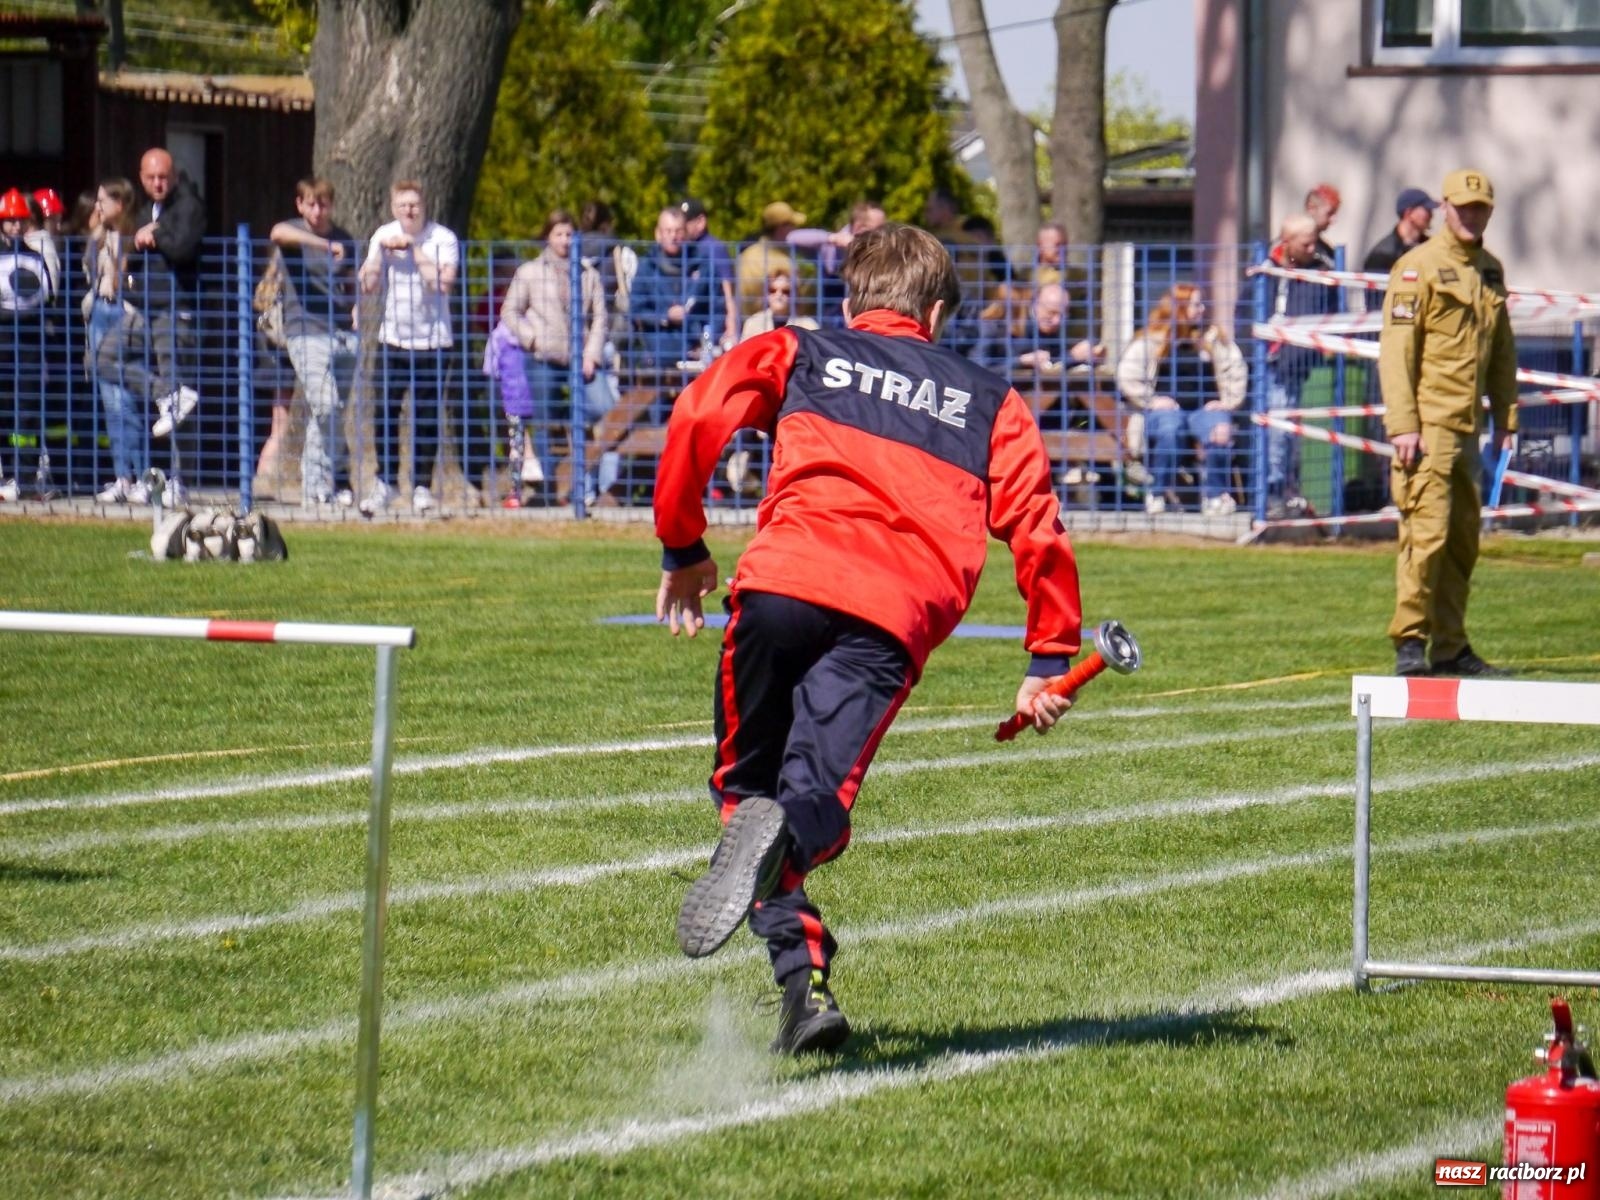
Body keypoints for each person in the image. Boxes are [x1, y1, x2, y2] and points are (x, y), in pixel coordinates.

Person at [654, 222, 1083, 1054]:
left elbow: (699, 409)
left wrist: (683, 545)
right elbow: (1038, 524)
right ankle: (788, 887)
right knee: (808, 801)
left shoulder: (801, 350)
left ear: (851, 302)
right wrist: (1049, 654)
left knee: (747, 799)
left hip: (778, 591)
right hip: (888, 617)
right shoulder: (992, 400)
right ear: (937, 313)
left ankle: (802, 985)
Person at [1381, 169, 1517, 679]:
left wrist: (1505, 416)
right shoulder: (1417, 267)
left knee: (1462, 541)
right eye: (1463, 207)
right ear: (1444, 208)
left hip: (1468, 427)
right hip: (1428, 426)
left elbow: (1502, 353)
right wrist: (1403, 424)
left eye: (1480, 207)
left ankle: (1451, 646)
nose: (1471, 215)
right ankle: (1410, 641)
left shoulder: (1491, 271)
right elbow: (1397, 351)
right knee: (1426, 534)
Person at [499, 208, 614, 505]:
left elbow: (600, 318)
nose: (564, 240)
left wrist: (592, 355)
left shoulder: (588, 275)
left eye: (569, 234)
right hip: (543, 357)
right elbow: (510, 311)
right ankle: (549, 489)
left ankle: (588, 486)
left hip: (580, 359)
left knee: (604, 408)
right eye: (558, 234)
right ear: (547, 237)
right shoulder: (530, 272)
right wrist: (531, 338)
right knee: (545, 421)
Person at [358, 179, 459, 515]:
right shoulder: (383, 234)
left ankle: (422, 487)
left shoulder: (443, 238)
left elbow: (442, 283)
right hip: (393, 339)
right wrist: (378, 255)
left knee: (426, 416)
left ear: (424, 205)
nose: (409, 211)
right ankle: (385, 482)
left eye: (414, 204)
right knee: (385, 410)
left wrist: (413, 250)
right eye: (403, 205)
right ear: (393, 208)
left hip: (433, 341)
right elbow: (368, 284)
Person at [1115, 283, 1248, 516]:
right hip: (1167, 410)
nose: (1202, 309)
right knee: (1169, 429)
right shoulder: (1152, 339)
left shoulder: (1214, 338)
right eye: (1196, 304)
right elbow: (1127, 375)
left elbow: (1236, 370)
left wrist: (1227, 402)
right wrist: (1151, 400)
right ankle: (1157, 494)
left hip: (1205, 409)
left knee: (1220, 430)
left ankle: (1215, 496)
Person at [270, 177, 360, 507]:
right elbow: (277, 232)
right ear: (300, 205)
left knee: (333, 410)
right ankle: (322, 479)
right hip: (306, 330)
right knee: (325, 404)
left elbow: (350, 282)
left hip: (342, 334)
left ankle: (325, 484)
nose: (318, 211)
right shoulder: (295, 233)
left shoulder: (344, 238)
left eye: (323, 204)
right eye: (311, 204)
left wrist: (356, 309)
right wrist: (322, 245)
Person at [111, 147, 206, 446]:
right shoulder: (146, 210)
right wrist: (138, 243)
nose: (158, 183)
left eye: (163, 177)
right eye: (151, 177)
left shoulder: (188, 206)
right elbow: (132, 251)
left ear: (174, 176)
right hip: (143, 307)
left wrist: (156, 233)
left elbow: (182, 248)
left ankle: (181, 474)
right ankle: (167, 393)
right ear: (141, 178)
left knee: (179, 407)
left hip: (174, 308)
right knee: (103, 357)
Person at [1263, 212, 1336, 515]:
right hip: (1269, 363)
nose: (1311, 249)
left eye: (1313, 243)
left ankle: (1287, 490)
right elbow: (1247, 312)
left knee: (1290, 433)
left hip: (1299, 364)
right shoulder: (1267, 269)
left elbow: (1330, 315)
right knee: (1276, 432)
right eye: (1305, 244)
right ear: (1287, 241)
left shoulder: (1322, 272)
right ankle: (1273, 491)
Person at [83, 179, 149, 505]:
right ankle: (122, 476)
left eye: (103, 201)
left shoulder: (133, 235)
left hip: (123, 312)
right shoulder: (100, 235)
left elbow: (129, 276)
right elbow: (88, 268)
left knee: (125, 398)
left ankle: (143, 475)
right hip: (99, 309)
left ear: (120, 204)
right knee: (109, 399)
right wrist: (96, 233)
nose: (97, 206)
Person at [680, 199, 738, 350]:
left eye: (686, 222)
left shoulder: (714, 248)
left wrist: (731, 326)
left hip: (713, 325)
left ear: (701, 222)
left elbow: (728, 288)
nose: (682, 227)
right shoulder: (686, 248)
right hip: (694, 325)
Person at [735, 201, 804, 319]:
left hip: (747, 320)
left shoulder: (747, 253)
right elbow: (799, 299)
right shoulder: (783, 261)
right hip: (774, 323)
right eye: (791, 225)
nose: (794, 229)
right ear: (781, 228)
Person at [1363, 187, 1437, 274]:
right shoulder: (1383, 254)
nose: (1431, 215)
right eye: (1427, 210)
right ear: (1408, 213)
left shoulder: (1431, 246)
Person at [738, 269, 819, 341]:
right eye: (772, 290)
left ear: (794, 295)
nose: (778, 295)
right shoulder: (753, 323)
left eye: (785, 291)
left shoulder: (808, 325)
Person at [1304, 182, 1341, 268]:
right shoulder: (1289, 247)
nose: (1334, 220)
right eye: (1330, 213)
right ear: (1311, 208)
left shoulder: (1328, 252)